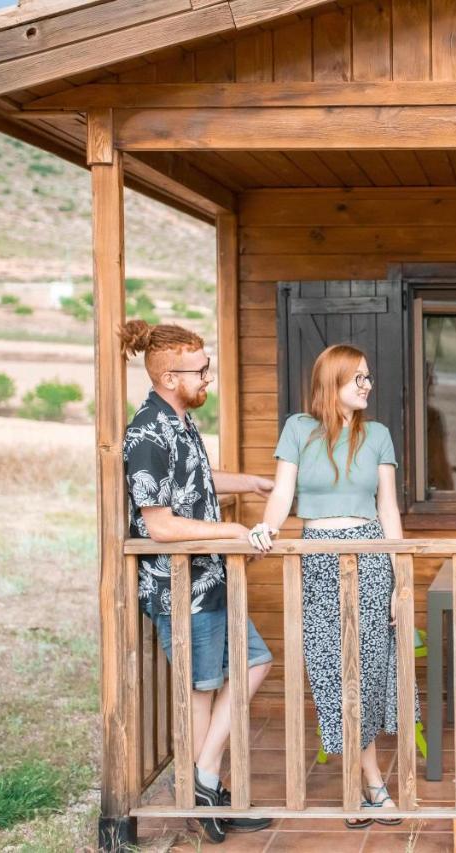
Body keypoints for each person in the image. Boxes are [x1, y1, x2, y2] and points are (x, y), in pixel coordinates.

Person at [120, 320, 275, 845]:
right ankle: (202, 793)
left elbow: (199, 482)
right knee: (202, 693)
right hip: (181, 589)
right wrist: (232, 528)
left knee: (255, 662)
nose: (208, 377)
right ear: (168, 376)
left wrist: (253, 482)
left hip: (211, 581)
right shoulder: (145, 433)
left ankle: (204, 782)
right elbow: (160, 524)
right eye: (200, 370)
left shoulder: (181, 423)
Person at [248, 344, 411, 828]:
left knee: (368, 670)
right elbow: (282, 492)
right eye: (357, 378)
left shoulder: (378, 435)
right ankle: (369, 784)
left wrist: (401, 580)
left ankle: (367, 785)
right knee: (332, 674)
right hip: (317, 556)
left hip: (370, 556)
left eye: (368, 377)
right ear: (332, 381)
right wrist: (266, 528)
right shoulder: (299, 429)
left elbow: (388, 510)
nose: (367, 385)